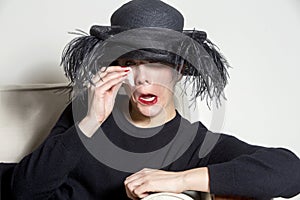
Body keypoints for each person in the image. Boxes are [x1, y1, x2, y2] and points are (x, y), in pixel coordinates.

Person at [8, 0, 300, 199]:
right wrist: (91, 121)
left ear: (181, 71)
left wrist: (180, 180)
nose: (144, 78)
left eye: (158, 65)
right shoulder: (85, 115)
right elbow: (24, 191)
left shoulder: (195, 145)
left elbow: (289, 170)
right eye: (131, 64)